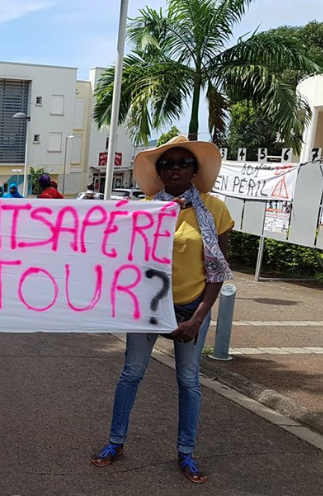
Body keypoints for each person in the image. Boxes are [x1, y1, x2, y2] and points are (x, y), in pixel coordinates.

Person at [91, 135, 234, 483]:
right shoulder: (144, 210)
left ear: (195, 170)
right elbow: (123, 259)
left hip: (193, 308)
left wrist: (198, 318)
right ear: (158, 171)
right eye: (167, 163)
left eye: (183, 163)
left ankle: (186, 453)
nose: (174, 168)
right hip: (148, 307)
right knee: (131, 374)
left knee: (188, 381)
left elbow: (219, 268)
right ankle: (115, 443)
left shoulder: (215, 210)